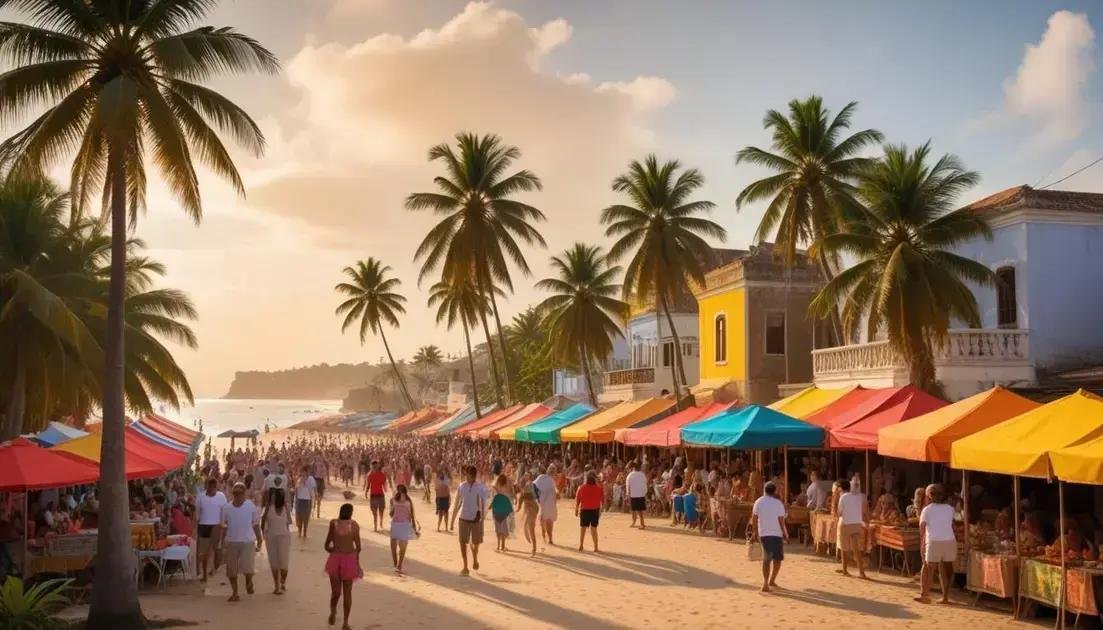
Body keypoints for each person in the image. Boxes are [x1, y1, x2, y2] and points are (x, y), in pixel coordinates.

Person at [220, 482, 261, 603]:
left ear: (244, 494)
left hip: (247, 541)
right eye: (235, 493)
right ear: (233, 494)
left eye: (240, 493)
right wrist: (221, 543)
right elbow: (223, 526)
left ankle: (248, 581)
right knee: (231, 570)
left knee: (248, 569)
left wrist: (259, 539)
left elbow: (256, 524)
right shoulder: (227, 508)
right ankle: (235, 592)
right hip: (232, 541)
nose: (237, 496)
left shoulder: (250, 506)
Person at [916, 484, 956, 604]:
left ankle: (924, 595)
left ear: (929, 496)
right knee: (946, 569)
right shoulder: (950, 509)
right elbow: (953, 525)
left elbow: (922, 529)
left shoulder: (927, 510)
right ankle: (945, 597)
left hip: (933, 541)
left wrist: (922, 544)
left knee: (928, 567)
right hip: (949, 540)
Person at [324, 503, 362, 630]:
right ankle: (333, 612)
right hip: (342, 559)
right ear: (351, 513)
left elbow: (327, 546)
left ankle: (345, 622)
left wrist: (334, 551)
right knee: (339, 592)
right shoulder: (336, 524)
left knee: (342, 593)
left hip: (346, 560)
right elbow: (358, 547)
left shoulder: (348, 525)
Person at [450, 465, 488, 576]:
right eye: (467, 475)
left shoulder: (480, 487)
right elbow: (457, 503)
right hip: (463, 518)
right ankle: (465, 567)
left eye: (470, 476)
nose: (468, 477)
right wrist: (452, 521)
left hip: (476, 520)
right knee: (462, 543)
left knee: (475, 544)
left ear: (474, 476)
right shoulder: (462, 486)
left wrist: (482, 518)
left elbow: (485, 503)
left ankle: (475, 558)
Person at [751, 481, 788, 593]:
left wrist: (754, 532)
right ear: (774, 491)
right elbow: (781, 521)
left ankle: (766, 583)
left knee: (767, 559)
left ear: (764, 490)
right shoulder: (778, 503)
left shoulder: (758, 502)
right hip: (777, 534)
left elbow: (754, 518)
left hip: (764, 533)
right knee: (777, 559)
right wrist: (785, 534)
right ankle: (770, 581)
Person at [262, 487, 292, 594]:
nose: (273, 498)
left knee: (284, 564)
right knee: (274, 563)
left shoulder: (286, 507)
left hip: (284, 537)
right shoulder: (268, 507)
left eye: (275, 496)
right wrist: (263, 534)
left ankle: (282, 582)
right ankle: (276, 586)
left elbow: (290, 521)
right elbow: (263, 520)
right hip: (271, 537)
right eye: (273, 496)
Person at [196, 477, 227, 582]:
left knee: (217, 550)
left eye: (214, 486)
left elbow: (224, 511)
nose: (212, 488)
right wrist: (197, 522)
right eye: (210, 486)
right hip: (204, 526)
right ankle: (204, 574)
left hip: (216, 526)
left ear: (216, 487)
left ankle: (214, 568)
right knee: (204, 552)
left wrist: (223, 524)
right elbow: (197, 511)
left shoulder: (221, 496)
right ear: (207, 486)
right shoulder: (200, 496)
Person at [836, 479, 868, 579]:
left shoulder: (843, 497)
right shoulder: (860, 497)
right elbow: (864, 511)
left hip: (845, 523)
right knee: (856, 549)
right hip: (856, 524)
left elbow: (839, 512)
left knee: (844, 549)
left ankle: (845, 570)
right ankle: (861, 572)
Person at [389, 484, 419, 574]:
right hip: (398, 524)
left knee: (399, 546)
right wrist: (392, 507)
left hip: (402, 525)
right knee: (395, 546)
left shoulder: (406, 500)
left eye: (401, 490)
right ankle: (397, 565)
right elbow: (391, 514)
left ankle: (398, 565)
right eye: (399, 490)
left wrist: (414, 525)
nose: (400, 492)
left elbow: (412, 514)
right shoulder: (396, 500)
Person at [575, 472, 603, 552]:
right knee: (594, 529)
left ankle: (581, 545)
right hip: (595, 510)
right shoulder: (599, 488)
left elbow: (578, 500)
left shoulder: (581, 488)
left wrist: (576, 509)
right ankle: (596, 547)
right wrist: (600, 511)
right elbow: (602, 501)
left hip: (584, 509)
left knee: (583, 528)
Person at [533, 465, 558, 545]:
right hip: (545, 502)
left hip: (549, 502)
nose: (552, 471)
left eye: (553, 470)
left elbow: (555, 491)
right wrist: (537, 497)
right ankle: (547, 536)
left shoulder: (551, 480)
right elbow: (533, 485)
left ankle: (548, 537)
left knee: (547, 520)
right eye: (551, 469)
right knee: (547, 520)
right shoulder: (543, 477)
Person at [490, 475, 514, 552]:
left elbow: (492, 496)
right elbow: (511, 495)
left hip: (496, 508)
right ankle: (503, 546)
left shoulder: (496, 487)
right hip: (504, 508)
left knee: (497, 528)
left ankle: (498, 546)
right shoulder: (507, 487)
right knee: (503, 528)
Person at [519, 477, 540, 556]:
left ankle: (534, 549)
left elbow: (523, 504)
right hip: (533, 509)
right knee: (526, 526)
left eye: (521, 483)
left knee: (531, 530)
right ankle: (532, 544)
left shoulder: (525, 492)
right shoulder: (525, 491)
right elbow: (524, 505)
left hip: (533, 510)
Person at [365, 461, 388, 532]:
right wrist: (366, 491)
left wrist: (366, 492)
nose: (374, 467)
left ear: (377, 466)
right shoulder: (370, 475)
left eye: (375, 466)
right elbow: (368, 484)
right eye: (373, 466)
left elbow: (384, 485)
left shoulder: (380, 474)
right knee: (376, 512)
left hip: (378, 495)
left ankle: (379, 524)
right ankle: (377, 526)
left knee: (380, 511)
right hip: (376, 495)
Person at [295, 466, 317, 538]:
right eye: (302, 472)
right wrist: (296, 501)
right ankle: (299, 532)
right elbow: (296, 489)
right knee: (299, 517)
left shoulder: (311, 479)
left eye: (305, 472)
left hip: (307, 500)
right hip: (300, 500)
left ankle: (305, 533)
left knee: (306, 517)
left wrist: (315, 500)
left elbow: (314, 488)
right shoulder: (299, 479)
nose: (303, 473)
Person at [625, 460, 648, 530]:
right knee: (640, 510)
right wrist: (644, 493)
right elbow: (645, 484)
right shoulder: (642, 474)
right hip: (641, 494)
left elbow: (628, 486)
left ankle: (636, 522)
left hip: (633, 495)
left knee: (633, 510)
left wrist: (628, 494)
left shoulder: (630, 475)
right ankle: (641, 523)